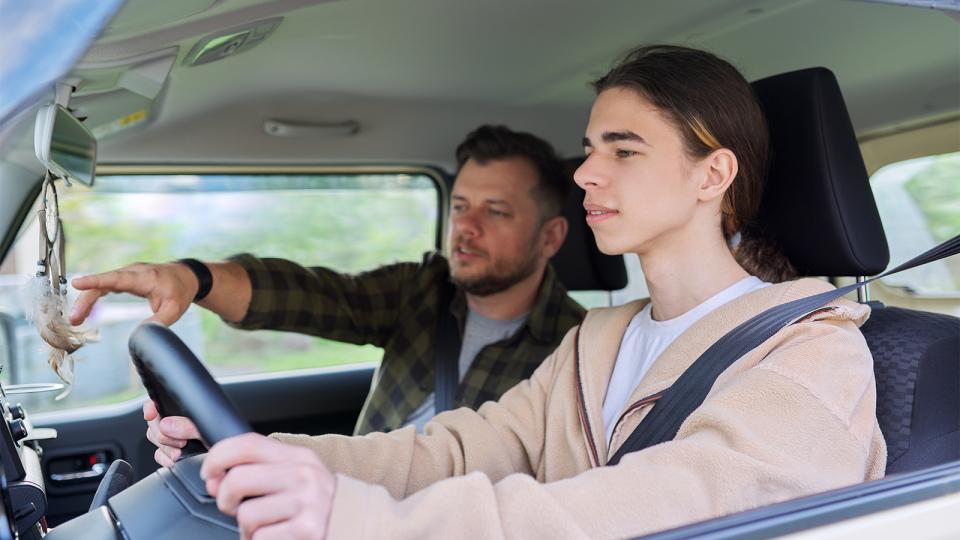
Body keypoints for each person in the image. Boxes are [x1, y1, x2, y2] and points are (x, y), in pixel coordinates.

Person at [150, 45, 887, 539]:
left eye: (623, 151)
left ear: (712, 175)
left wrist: (361, 518)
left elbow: (666, 504)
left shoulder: (813, 355)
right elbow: (457, 452)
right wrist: (258, 455)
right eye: (591, 149)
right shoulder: (598, 340)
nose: (585, 174)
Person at [69, 125, 586, 438]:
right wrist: (193, 278)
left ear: (551, 237)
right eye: (460, 207)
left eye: (495, 212)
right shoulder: (423, 291)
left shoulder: (582, 349)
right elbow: (312, 296)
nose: (466, 228)